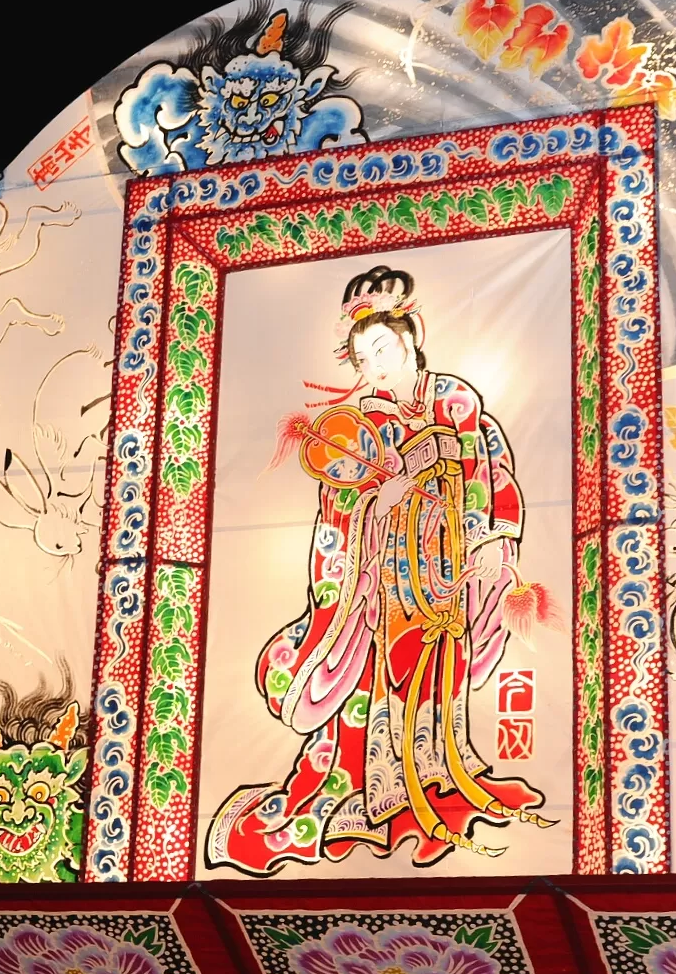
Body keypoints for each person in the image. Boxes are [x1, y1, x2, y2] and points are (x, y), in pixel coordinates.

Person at [206, 265, 552, 875]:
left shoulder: (456, 402)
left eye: (384, 348)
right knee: (386, 677)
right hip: (386, 573)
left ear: (412, 337)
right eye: (363, 358)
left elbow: (488, 471)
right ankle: (380, 793)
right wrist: (375, 500)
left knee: (441, 671)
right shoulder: (362, 422)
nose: (376, 366)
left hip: (449, 561)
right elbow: (342, 497)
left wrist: (489, 540)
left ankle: (440, 775)